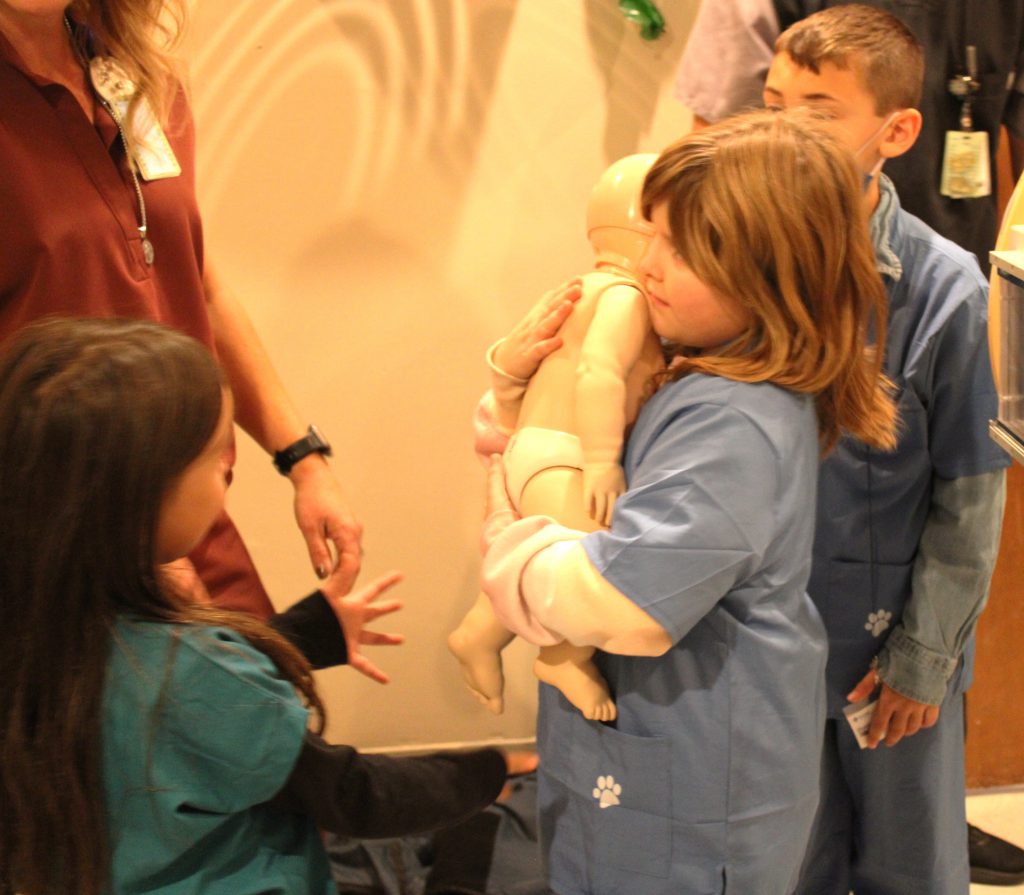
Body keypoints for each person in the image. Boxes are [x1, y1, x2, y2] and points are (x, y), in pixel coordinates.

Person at [476, 110, 898, 894]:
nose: (649, 267)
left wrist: (508, 537)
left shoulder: (733, 422)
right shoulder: (693, 368)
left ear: (771, 273)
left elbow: (623, 607)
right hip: (643, 763)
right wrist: (516, 391)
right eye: (653, 239)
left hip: (692, 786)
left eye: (682, 251)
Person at [0, 316, 510, 895]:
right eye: (219, 455)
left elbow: (150, 710)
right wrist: (492, 769)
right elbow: (357, 796)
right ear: (141, 493)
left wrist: (307, 633)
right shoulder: (190, 675)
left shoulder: (36, 629)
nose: (229, 468)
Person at [756, 7, 1012, 892]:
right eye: (773, 100)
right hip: (767, 642)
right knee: (789, 855)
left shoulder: (944, 290)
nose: (784, 128)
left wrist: (924, 658)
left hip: (891, 650)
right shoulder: (737, 267)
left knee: (908, 859)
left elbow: (971, 497)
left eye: (818, 110)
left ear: (895, 131)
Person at [0, 0, 360, 618]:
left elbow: (194, 276)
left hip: (183, 509)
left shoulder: (131, 72)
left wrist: (302, 458)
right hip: (48, 539)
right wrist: (116, 544)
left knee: (268, 699)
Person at [448, 153, 664, 721]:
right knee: (587, 563)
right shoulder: (627, 296)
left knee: (534, 557)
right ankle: (561, 655)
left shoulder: (577, 288)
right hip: (566, 455)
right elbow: (599, 370)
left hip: (530, 451)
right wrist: (599, 461)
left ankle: (480, 631)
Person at [673, 0, 1024, 277]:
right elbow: (713, 152)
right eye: (777, 110)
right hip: (770, 252)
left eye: (819, 116)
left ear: (899, 131)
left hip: (941, 258)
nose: (793, 129)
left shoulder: (951, 291)